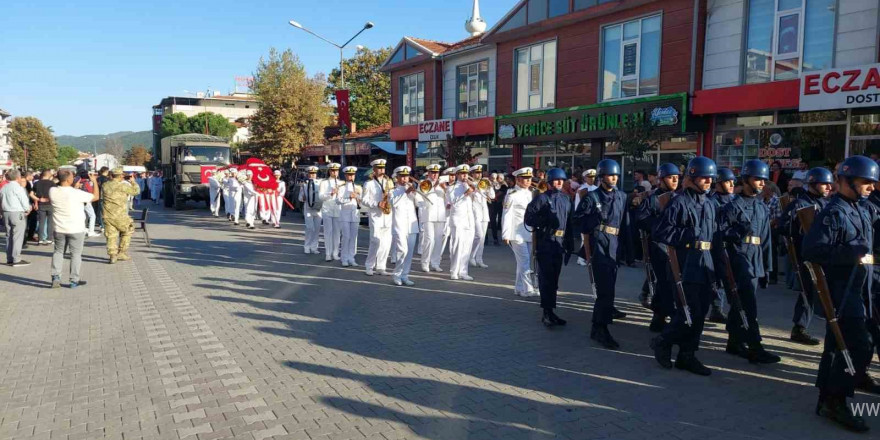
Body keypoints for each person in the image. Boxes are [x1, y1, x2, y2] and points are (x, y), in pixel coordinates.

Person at [803, 155, 880, 432]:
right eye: (866, 182)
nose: (872, 187)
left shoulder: (862, 208)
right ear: (847, 181)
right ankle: (838, 400)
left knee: (838, 347)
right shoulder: (834, 212)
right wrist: (851, 253)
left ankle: (829, 396)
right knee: (859, 345)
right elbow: (812, 251)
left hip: (862, 289)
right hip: (842, 291)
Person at [650, 156, 718, 376]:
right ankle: (662, 340)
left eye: (710, 178)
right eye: (703, 177)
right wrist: (688, 235)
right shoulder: (679, 201)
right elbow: (661, 232)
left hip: (704, 263)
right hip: (685, 263)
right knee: (689, 311)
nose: (708, 181)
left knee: (701, 313)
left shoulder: (709, 203)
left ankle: (687, 355)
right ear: (692, 177)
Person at [717, 160, 780, 364]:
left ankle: (734, 342)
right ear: (745, 180)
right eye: (757, 179)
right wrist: (735, 232)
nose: (762, 183)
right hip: (738, 260)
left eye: (763, 180)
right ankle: (755, 346)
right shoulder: (732, 207)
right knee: (748, 306)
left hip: (755, 261)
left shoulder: (762, 207)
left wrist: (767, 269)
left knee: (740, 304)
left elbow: (766, 241)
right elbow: (720, 235)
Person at [574, 159, 628, 349]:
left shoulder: (621, 196)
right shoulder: (592, 197)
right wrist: (594, 222)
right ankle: (601, 329)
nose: (613, 178)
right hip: (600, 245)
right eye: (609, 175)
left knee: (609, 289)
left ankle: (597, 326)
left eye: (615, 175)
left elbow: (624, 222)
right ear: (601, 177)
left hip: (614, 245)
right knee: (605, 290)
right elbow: (578, 222)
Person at [780, 167, 832, 346]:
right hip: (806, 255)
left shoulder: (828, 203)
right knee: (808, 291)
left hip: (824, 255)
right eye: (824, 184)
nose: (828, 187)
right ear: (813, 184)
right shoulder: (799, 203)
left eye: (829, 184)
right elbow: (782, 226)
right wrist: (797, 225)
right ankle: (799, 327)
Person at [634, 163, 680, 333]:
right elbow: (641, 219)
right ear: (661, 179)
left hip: (676, 245)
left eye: (677, 177)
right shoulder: (653, 198)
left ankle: (660, 316)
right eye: (670, 177)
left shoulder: (679, 197)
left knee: (672, 282)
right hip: (658, 245)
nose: (675, 180)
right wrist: (662, 226)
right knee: (664, 282)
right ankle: (662, 316)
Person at [525, 167, 572, 327]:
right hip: (546, 242)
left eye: (562, 180)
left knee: (555, 279)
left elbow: (569, 223)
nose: (559, 182)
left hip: (559, 243)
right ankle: (546, 313)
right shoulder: (542, 198)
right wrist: (544, 222)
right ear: (550, 182)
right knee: (546, 279)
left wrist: (570, 244)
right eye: (556, 180)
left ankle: (551, 311)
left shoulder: (566, 199)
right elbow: (529, 218)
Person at [49, 170, 100, 288]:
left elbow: (58, 186)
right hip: (76, 228)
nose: (74, 179)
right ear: (68, 179)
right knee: (75, 254)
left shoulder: (52, 191)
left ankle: (56, 276)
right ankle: (74, 280)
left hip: (59, 228)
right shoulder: (77, 193)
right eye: (72, 177)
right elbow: (96, 197)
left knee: (58, 252)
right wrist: (94, 182)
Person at [707, 167, 737, 324]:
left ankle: (734, 308)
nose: (732, 184)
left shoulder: (735, 200)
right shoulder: (711, 202)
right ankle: (717, 308)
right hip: (717, 244)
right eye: (727, 181)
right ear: (717, 183)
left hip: (733, 245)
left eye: (733, 181)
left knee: (731, 278)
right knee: (718, 278)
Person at [503, 167, 538, 298]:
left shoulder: (532, 194)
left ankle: (518, 287)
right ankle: (528, 288)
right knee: (524, 261)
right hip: (516, 234)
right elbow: (506, 215)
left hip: (529, 233)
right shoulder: (512, 195)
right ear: (517, 179)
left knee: (523, 261)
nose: (528, 181)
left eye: (529, 179)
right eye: (525, 179)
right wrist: (506, 234)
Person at [101, 168, 141, 264]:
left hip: (107, 215)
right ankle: (122, 252)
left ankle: (112, 256)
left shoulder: (105, 185)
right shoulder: (122, 186)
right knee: (128, 230)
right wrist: (133, 182)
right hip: (120, 216)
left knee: (111, 235)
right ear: (120, 176)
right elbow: (136, 192)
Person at [362, 159, 393, 276]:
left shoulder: (389, 182)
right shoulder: (368, 183)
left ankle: (381, 267)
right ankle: (369, 266)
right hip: (375, 215)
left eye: (383, 168)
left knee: (386, 242)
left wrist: (390, 196)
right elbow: (364, 200)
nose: (382, 170)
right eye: (379, 168)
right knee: (375, 241)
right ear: (374, 170)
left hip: (387, 215)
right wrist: (376, 204)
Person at [390, 166, 418, 286]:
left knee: (410, 252)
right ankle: (397, 274)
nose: (405, 178)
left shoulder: (410, 190)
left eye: (406, 176)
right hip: (399, 225)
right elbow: (393, 203)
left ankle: (405, 275)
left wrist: (416, 193)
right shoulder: (392, 191)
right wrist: (405, 193)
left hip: (411, 225)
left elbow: (420, 204)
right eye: (402, 176)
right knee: (402, 250)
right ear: (397, 178)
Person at [447, 164, 476, 281]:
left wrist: (471, 189)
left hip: (469, 220)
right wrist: (465, 193)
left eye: (466, 174)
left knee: (467, 247)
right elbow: (453, 203)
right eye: (463, 174)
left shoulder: (470, 185)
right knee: (457, 246)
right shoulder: (452, 188)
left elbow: (478, 198)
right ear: (457, 175)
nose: (465, 176)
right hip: (458, 219)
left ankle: (463, 271)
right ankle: (454, 271)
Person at [1, 170, 32, 266]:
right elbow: (23, 200)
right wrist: (27, 209)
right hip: (17, 212)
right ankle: (16, 259)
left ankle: (9, 258)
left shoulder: (4, 187)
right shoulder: (18, 188)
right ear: (18, 178)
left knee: (8, 236)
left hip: (6, 212)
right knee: (17, 236)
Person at [419, 164, 447, 272]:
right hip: (429, 214)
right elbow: (421, 196)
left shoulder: (442, 184)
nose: (435, 175)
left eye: (437, 173)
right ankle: (425, 262)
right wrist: (434, 187)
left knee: (439, 240)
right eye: (433, 172)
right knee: (429, 239)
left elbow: (449, 199)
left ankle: (435, 263)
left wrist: (445, 189)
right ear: (429, 173)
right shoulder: (423, 183)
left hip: (440, 215)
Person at [469, 165, 495, 268]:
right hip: (475, 212)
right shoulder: (470, 183)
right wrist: (474, 186)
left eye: (480, 172)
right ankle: (471, 255)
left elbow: (492, 196)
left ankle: (479, 259)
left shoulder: (484, 183)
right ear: (472, 174)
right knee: (478, 235)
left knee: (482, 238)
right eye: (476, 173)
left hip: (484, 213)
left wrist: (489, 186)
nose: (479, 174)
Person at [337, 166, 361, 267]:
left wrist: (358, 198)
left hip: (355, 214)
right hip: (345, 214)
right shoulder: (342, 187)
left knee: (353, 237)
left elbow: (362, 201)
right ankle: (344, 258)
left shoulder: (358, 187)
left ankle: (351, 257)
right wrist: (349, 198)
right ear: (346, 175)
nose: (351, 177)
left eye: (353, 175)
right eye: (349, 175)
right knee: (346, 237)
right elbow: (338, 200)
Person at [319, 163, 343, 261]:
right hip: (327, 209)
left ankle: (335, 253)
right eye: (333, 171)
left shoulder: (342, 183)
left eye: (336, 170)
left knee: (337, 233)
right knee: (328, 232)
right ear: (329, 171)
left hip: (337, 209)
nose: (335, 172)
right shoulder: (324, 183)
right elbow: (320, 197)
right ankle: (328, 253)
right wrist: (330, 193)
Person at [298, 166, 322, 253]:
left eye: (314, 173)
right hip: (308, 208)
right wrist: (303, 198)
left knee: (317, 229)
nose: (312, 175)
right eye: (311, 173)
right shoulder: (304, 184)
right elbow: (300, 197)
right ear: (308, 174)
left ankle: (314, 247)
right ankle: (307, 246)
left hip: (318, 209)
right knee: (309, 228)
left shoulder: (320, 183)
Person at [31, 170, 55, 245]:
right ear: (49, 175)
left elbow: (31, 194)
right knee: (50, 222)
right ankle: (49, 239)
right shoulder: (52, 183)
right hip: (50, 204)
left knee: (41, 222)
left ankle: (40, 239)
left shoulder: (36, 183)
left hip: (41, 204)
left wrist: (38, 199)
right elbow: (55, 194)